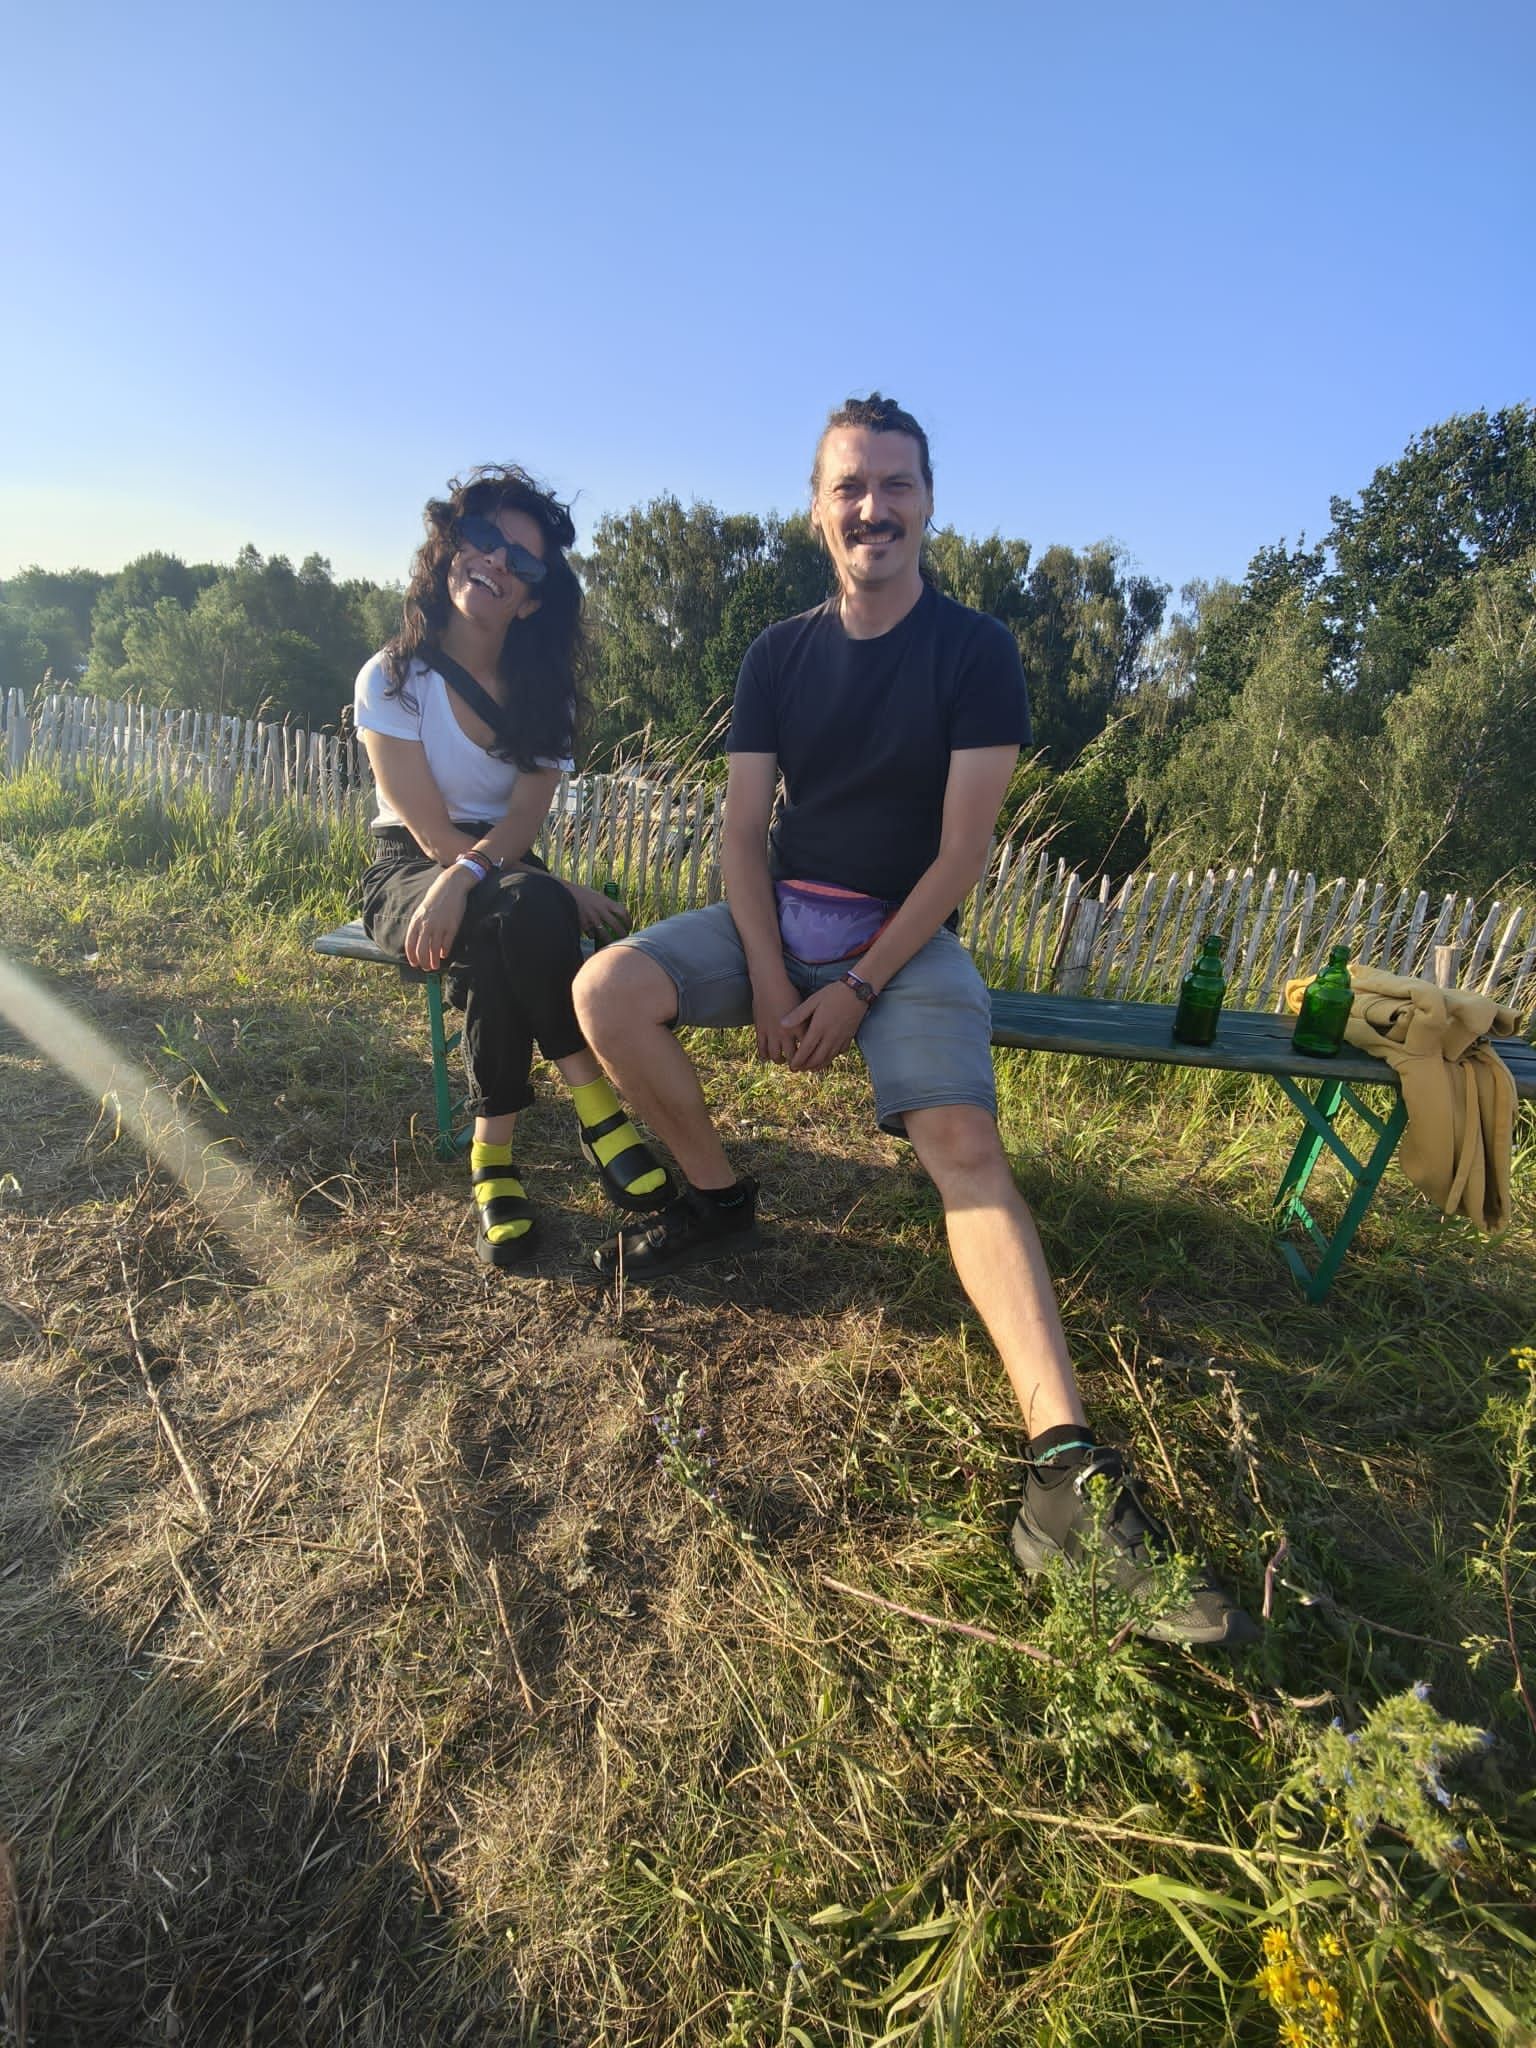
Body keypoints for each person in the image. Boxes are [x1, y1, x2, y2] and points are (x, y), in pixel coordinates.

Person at [574, 397, 1256, 1648]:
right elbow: (739, 832)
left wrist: (859, 987)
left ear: (929, 502)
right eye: (850, 486)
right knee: (604, 988)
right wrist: (777, 979)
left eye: (896, 484)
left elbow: (962, 851)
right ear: (817, 507)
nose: (873, 508)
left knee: (962, 1145)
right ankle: (718, 1199)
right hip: (777, 919)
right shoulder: (778, 653)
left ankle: (1062, 1470)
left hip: (910, 936)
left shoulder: (974, 648)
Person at [354, 465, 674, 1268]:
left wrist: (491, 878)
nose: (495, 563)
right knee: (523, 907)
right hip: (407, 869)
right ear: (452, 547)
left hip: (500, 870)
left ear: (532, 598)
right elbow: (430, 830)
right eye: (485, 539)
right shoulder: (391, 677)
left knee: (511, 916)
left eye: (521, 563)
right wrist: (485, 879)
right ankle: (594, 1100)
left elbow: (525, 818)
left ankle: (491, 1157)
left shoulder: (546, 696)